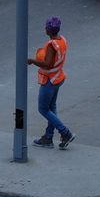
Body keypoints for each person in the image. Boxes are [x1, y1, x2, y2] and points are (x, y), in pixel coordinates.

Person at [26, 17, 75, 150]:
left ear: (48, 30)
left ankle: (65, 132)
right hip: (58, 77)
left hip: (50, 80)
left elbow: (47, 63)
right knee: (51, 108)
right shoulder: (62, 40)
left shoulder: (52, 45)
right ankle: (48, 137)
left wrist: (31, 61)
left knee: (43, 109)